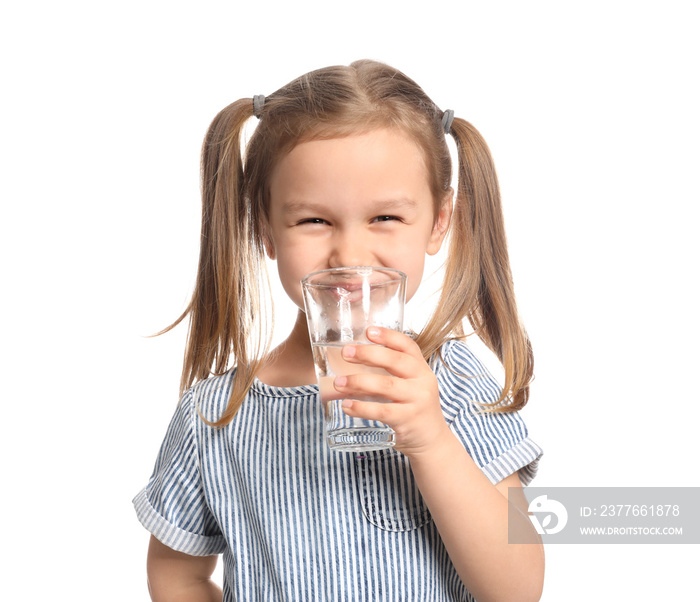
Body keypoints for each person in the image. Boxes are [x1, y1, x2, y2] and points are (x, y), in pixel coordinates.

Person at [134, 59, 545, 602]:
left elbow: (517, 589)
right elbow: (177, 571)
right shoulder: (214, 416)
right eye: (314, 220)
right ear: (265, 229)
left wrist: (431, 442)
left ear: (439, 221)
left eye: (386, 218)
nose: (349, 255)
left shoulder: (454, 383)